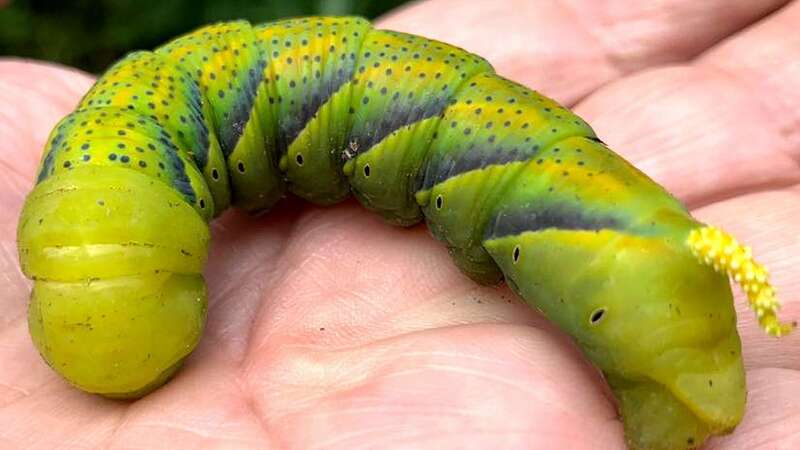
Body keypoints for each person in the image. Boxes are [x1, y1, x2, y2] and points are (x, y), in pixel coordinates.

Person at [1, 0, 798, 447]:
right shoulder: (156, 129)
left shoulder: (171, 121)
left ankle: (657, 301)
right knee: (509, 169)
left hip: (579, 222)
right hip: (559, 198)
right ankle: (657, 298)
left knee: (508, 172)